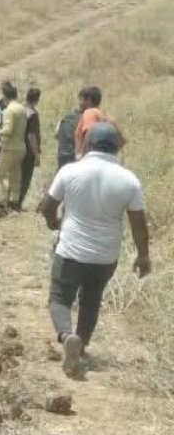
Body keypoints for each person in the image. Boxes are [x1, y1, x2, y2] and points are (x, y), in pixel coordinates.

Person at [40, 122, 150, 378]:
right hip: (105, 256)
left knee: (59, 298)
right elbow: (138, 224)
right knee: (91, 300)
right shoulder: (129, 180)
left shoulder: (70, 171)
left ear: (88, 144)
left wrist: (54, 223)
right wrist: (143, 255)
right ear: (116, 147)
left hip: (71, 251)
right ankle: (81, 345)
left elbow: (48, 206)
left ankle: (67, 336)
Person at [0, 82, 28, 219]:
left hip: (10, 149)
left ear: (5, 96)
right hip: (21, 148)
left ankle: (1, 207)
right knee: (15, 176)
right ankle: (14, 204)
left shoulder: (8, 110)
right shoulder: (22, 109)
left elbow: (8, 130)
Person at [73, 85, 125, 160]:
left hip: (89, 162)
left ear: (89, 100)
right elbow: (122, 141)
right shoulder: (107, 116)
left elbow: (90, 133)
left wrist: (82, 157)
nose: (79, 104)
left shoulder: (89, 112)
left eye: (81, 100)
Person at [17, 87, 42, 210]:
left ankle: (11, 201)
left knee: (16, 176)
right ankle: (17, 204)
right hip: (27, 152)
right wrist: (36, 155)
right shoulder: (32, 114)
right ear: (37, 99)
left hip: (16, 148)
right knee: (25, 178)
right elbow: (31, 135)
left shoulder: (19, 110)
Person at [54, 103, 83, 173]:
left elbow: (56, 135)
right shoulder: (81, 120)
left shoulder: (64, 118)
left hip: (61, 154)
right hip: (74, 155)